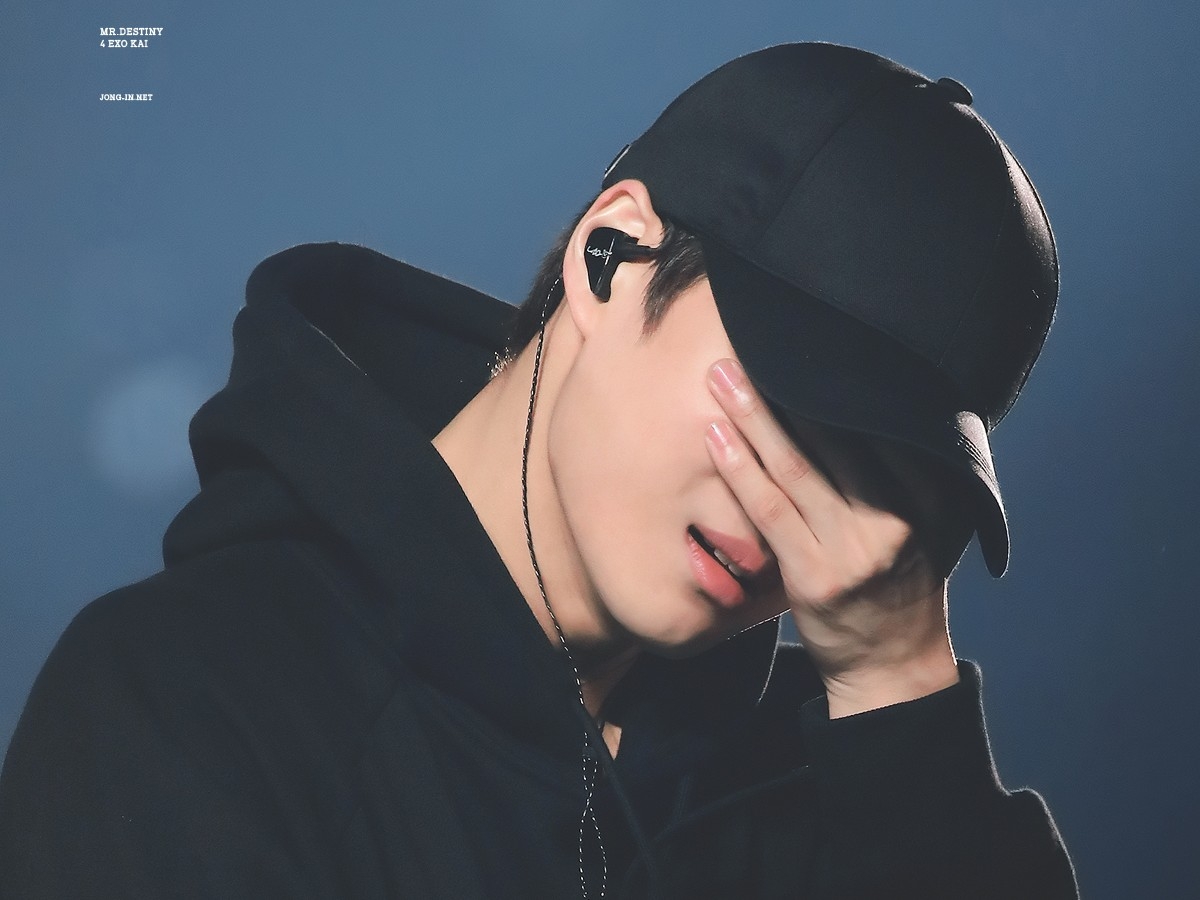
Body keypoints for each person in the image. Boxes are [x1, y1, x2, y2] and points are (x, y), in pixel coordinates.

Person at [0, 42, 1077, 898]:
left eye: (885, 474)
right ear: (610, 259)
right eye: (786, 399)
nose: (786, 504)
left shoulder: (827, 793)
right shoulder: (191, 705)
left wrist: (897, 687)